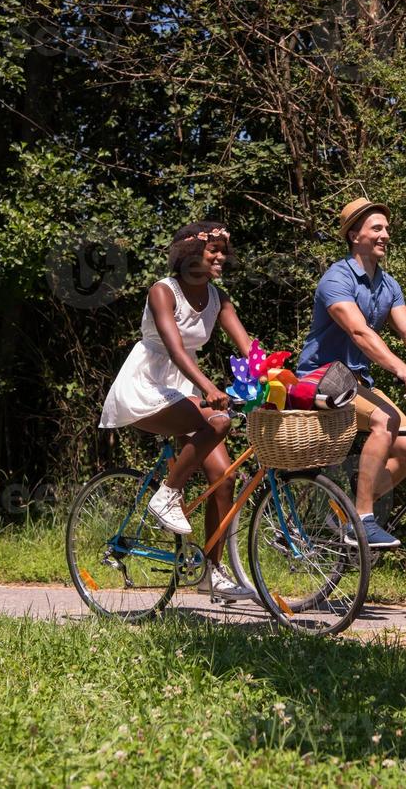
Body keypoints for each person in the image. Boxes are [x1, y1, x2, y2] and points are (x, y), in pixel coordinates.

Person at [297, 198, 406, 548]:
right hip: (322, 378)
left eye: (386, 229)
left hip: (356, 384)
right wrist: (403, 370)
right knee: (384, 421)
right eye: (377, 228)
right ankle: (362, 519)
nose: (385, 235)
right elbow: (359, 332)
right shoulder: (337, 278)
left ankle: (342, 513)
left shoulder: (387, 285)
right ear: (354, 235)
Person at [99, 220, 254, 601]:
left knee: (224, 478)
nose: (220, 257)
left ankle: (211, 572)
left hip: (183, 390)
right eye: (212, 250)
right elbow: (175, 349)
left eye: (223, 250)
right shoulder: (162, 291)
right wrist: (209, 388)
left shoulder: (218, 298)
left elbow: (248, 347)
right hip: (147, 386)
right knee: (217, 421)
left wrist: (274, 379)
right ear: (189, 254)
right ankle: (166, 494)